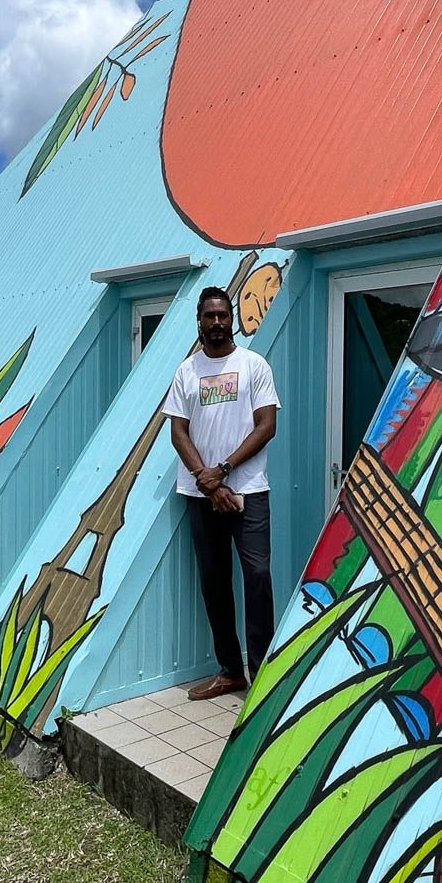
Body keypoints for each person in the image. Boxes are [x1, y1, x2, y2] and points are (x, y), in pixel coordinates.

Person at [164, 286, 281, 699]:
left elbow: (267, 426)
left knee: (258, 577)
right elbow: (178, 431)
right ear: (199, 320)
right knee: (214, 583)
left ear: (231, 318)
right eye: (209, 316)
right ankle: (231, 671)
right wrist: (208, 482)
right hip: (201, 496)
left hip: (250, 490)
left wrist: (224, 471)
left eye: (222, 315)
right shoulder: (186, 372)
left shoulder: (253, 365)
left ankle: (262, 674)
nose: (216, 322)